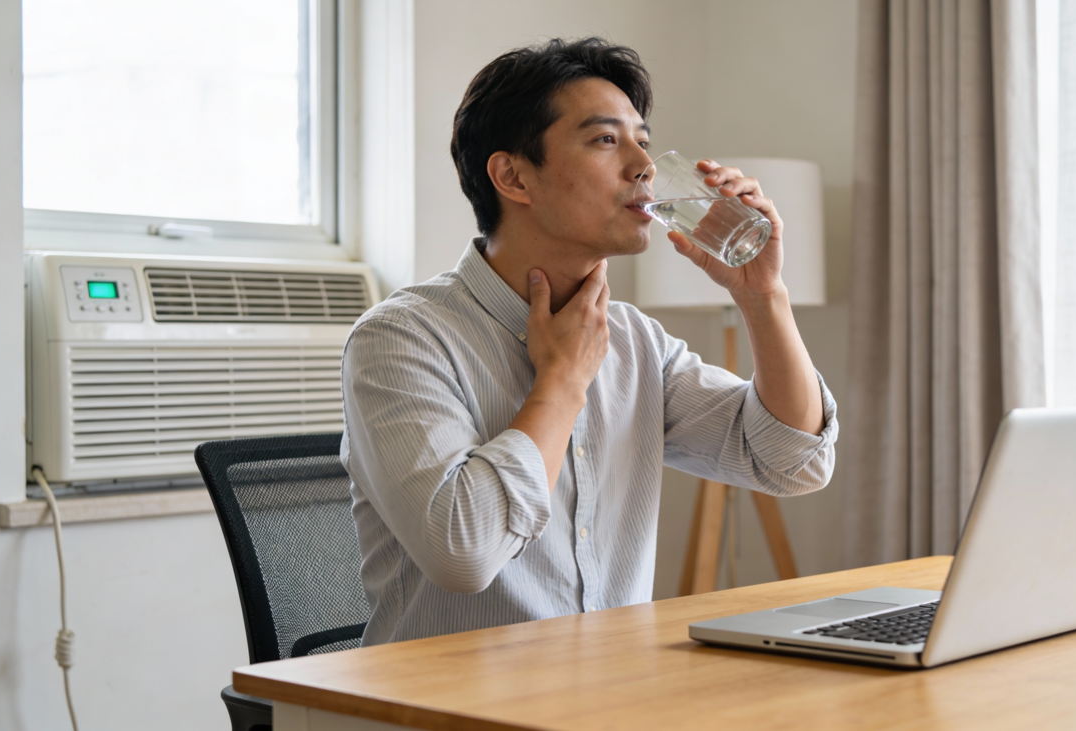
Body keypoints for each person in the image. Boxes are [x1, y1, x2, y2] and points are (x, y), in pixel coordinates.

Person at [340, 37, 838, 646]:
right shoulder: (400, 339)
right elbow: (463, 554)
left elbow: (793, 463)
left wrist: (763, 296)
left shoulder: (634, 340)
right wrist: (562, 383)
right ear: (514, 176)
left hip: (613, 695)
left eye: (643, 141)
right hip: (445, 708)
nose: (644, 167)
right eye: (606, 140)